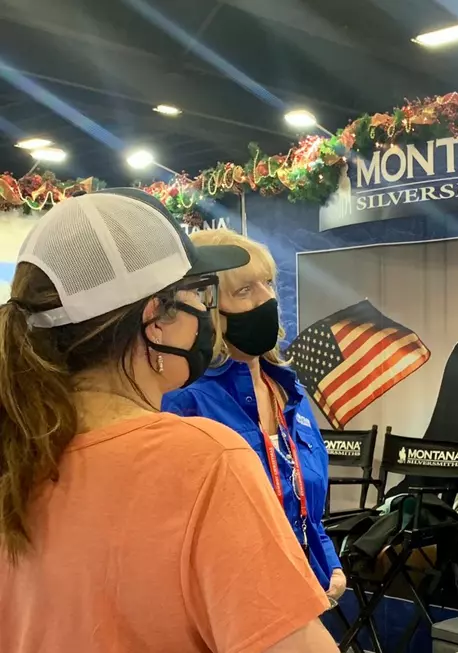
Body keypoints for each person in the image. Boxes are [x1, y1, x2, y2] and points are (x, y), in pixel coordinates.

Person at [0, 189, 339, 653]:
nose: (206, 313)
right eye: (200, 295)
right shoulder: (204, 458)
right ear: (155, 318)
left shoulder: (17, 448)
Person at [163, 229, 347, 607]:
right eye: (244, 291)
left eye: (267, 284)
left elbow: (304, 503)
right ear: (206, 306)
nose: (267, 299)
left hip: (304, 596)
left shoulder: (288, 391)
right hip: (232, 610)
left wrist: (330, 565)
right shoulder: (183, 401)